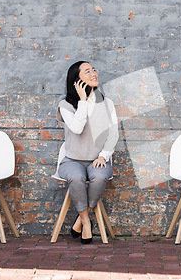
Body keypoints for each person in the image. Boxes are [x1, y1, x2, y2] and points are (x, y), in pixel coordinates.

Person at [56, 61, 119, 244]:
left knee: (99, 177)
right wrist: (83, 101)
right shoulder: (65, 105)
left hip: (98, 160)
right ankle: (85, 221)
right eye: (87, 71)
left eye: (94, 70)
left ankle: (80, 219)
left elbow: (113, 134)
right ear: (76, 80)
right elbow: (77, 128)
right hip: (71, 160)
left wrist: (103, 156)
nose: (93, 74)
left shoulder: (107, 104)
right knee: (76, 177)